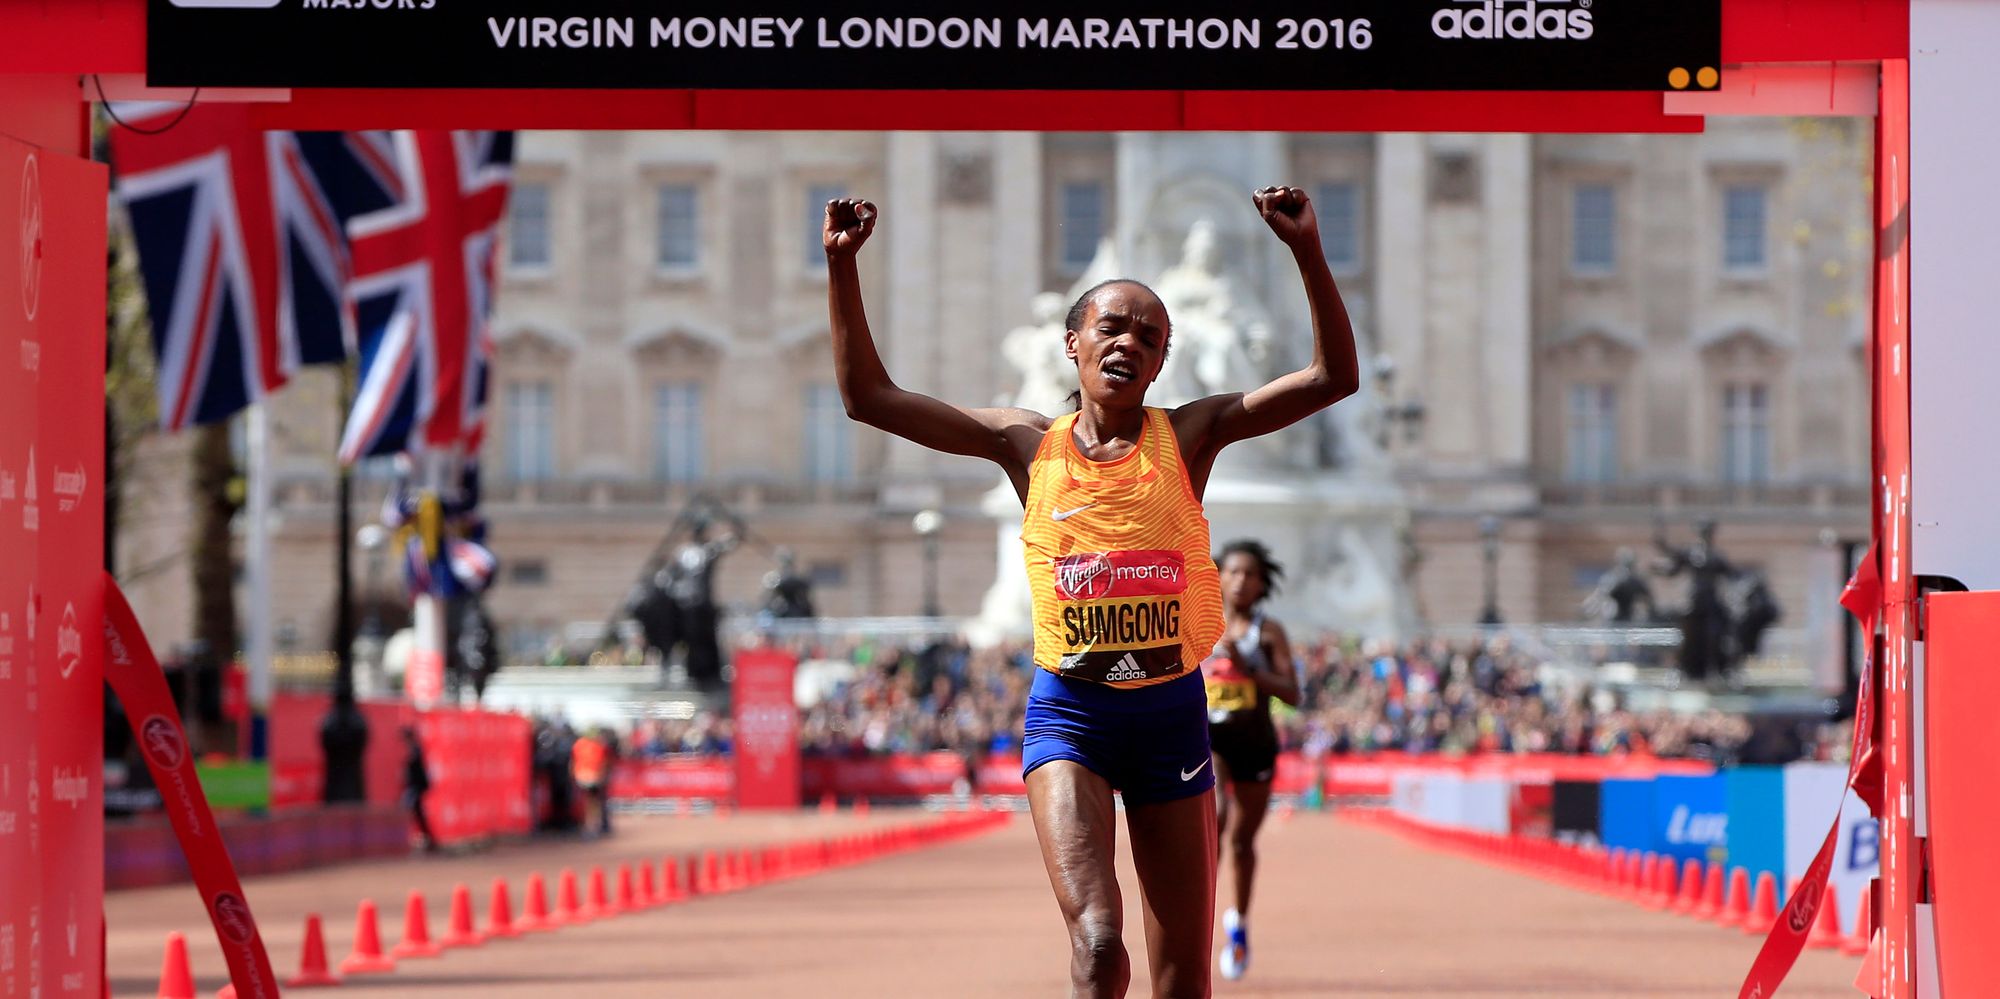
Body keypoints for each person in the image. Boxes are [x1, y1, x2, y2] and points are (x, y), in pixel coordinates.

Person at [824, 185, 1358, 998]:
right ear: (1072, 342)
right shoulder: (1025, 444)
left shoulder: (1189, 434)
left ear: (1161, 360)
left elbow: (1332, 377)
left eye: (1150, 336)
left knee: (1182, 982)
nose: (1128, 344)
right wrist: (841, 267)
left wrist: (1307, 251)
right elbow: (871, 399)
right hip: (1071, 712)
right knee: (1101, 944)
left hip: (1170, 714)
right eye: (1112, 326)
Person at [1199, 539, 1301, 981]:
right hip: (1211, 742)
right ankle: (1197, 922)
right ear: (1218, 575)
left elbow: (1293, 695)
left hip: (1256, 743)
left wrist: (1248, 668)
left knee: (1242, 841)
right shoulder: (1198, 624)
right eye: (1233, 572)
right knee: (1216, 821)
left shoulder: (1269, 631)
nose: (1241, 581)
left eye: (1250, 575)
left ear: (1262, 584)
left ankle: (1238, 922)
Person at [401, 725, 438, 853]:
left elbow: (418, 771)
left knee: (416, 813)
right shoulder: (414, 750)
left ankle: (429, 840)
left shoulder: (416, 750)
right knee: (417, 814)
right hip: (415, 787)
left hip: (416, 787)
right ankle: (428, 840)